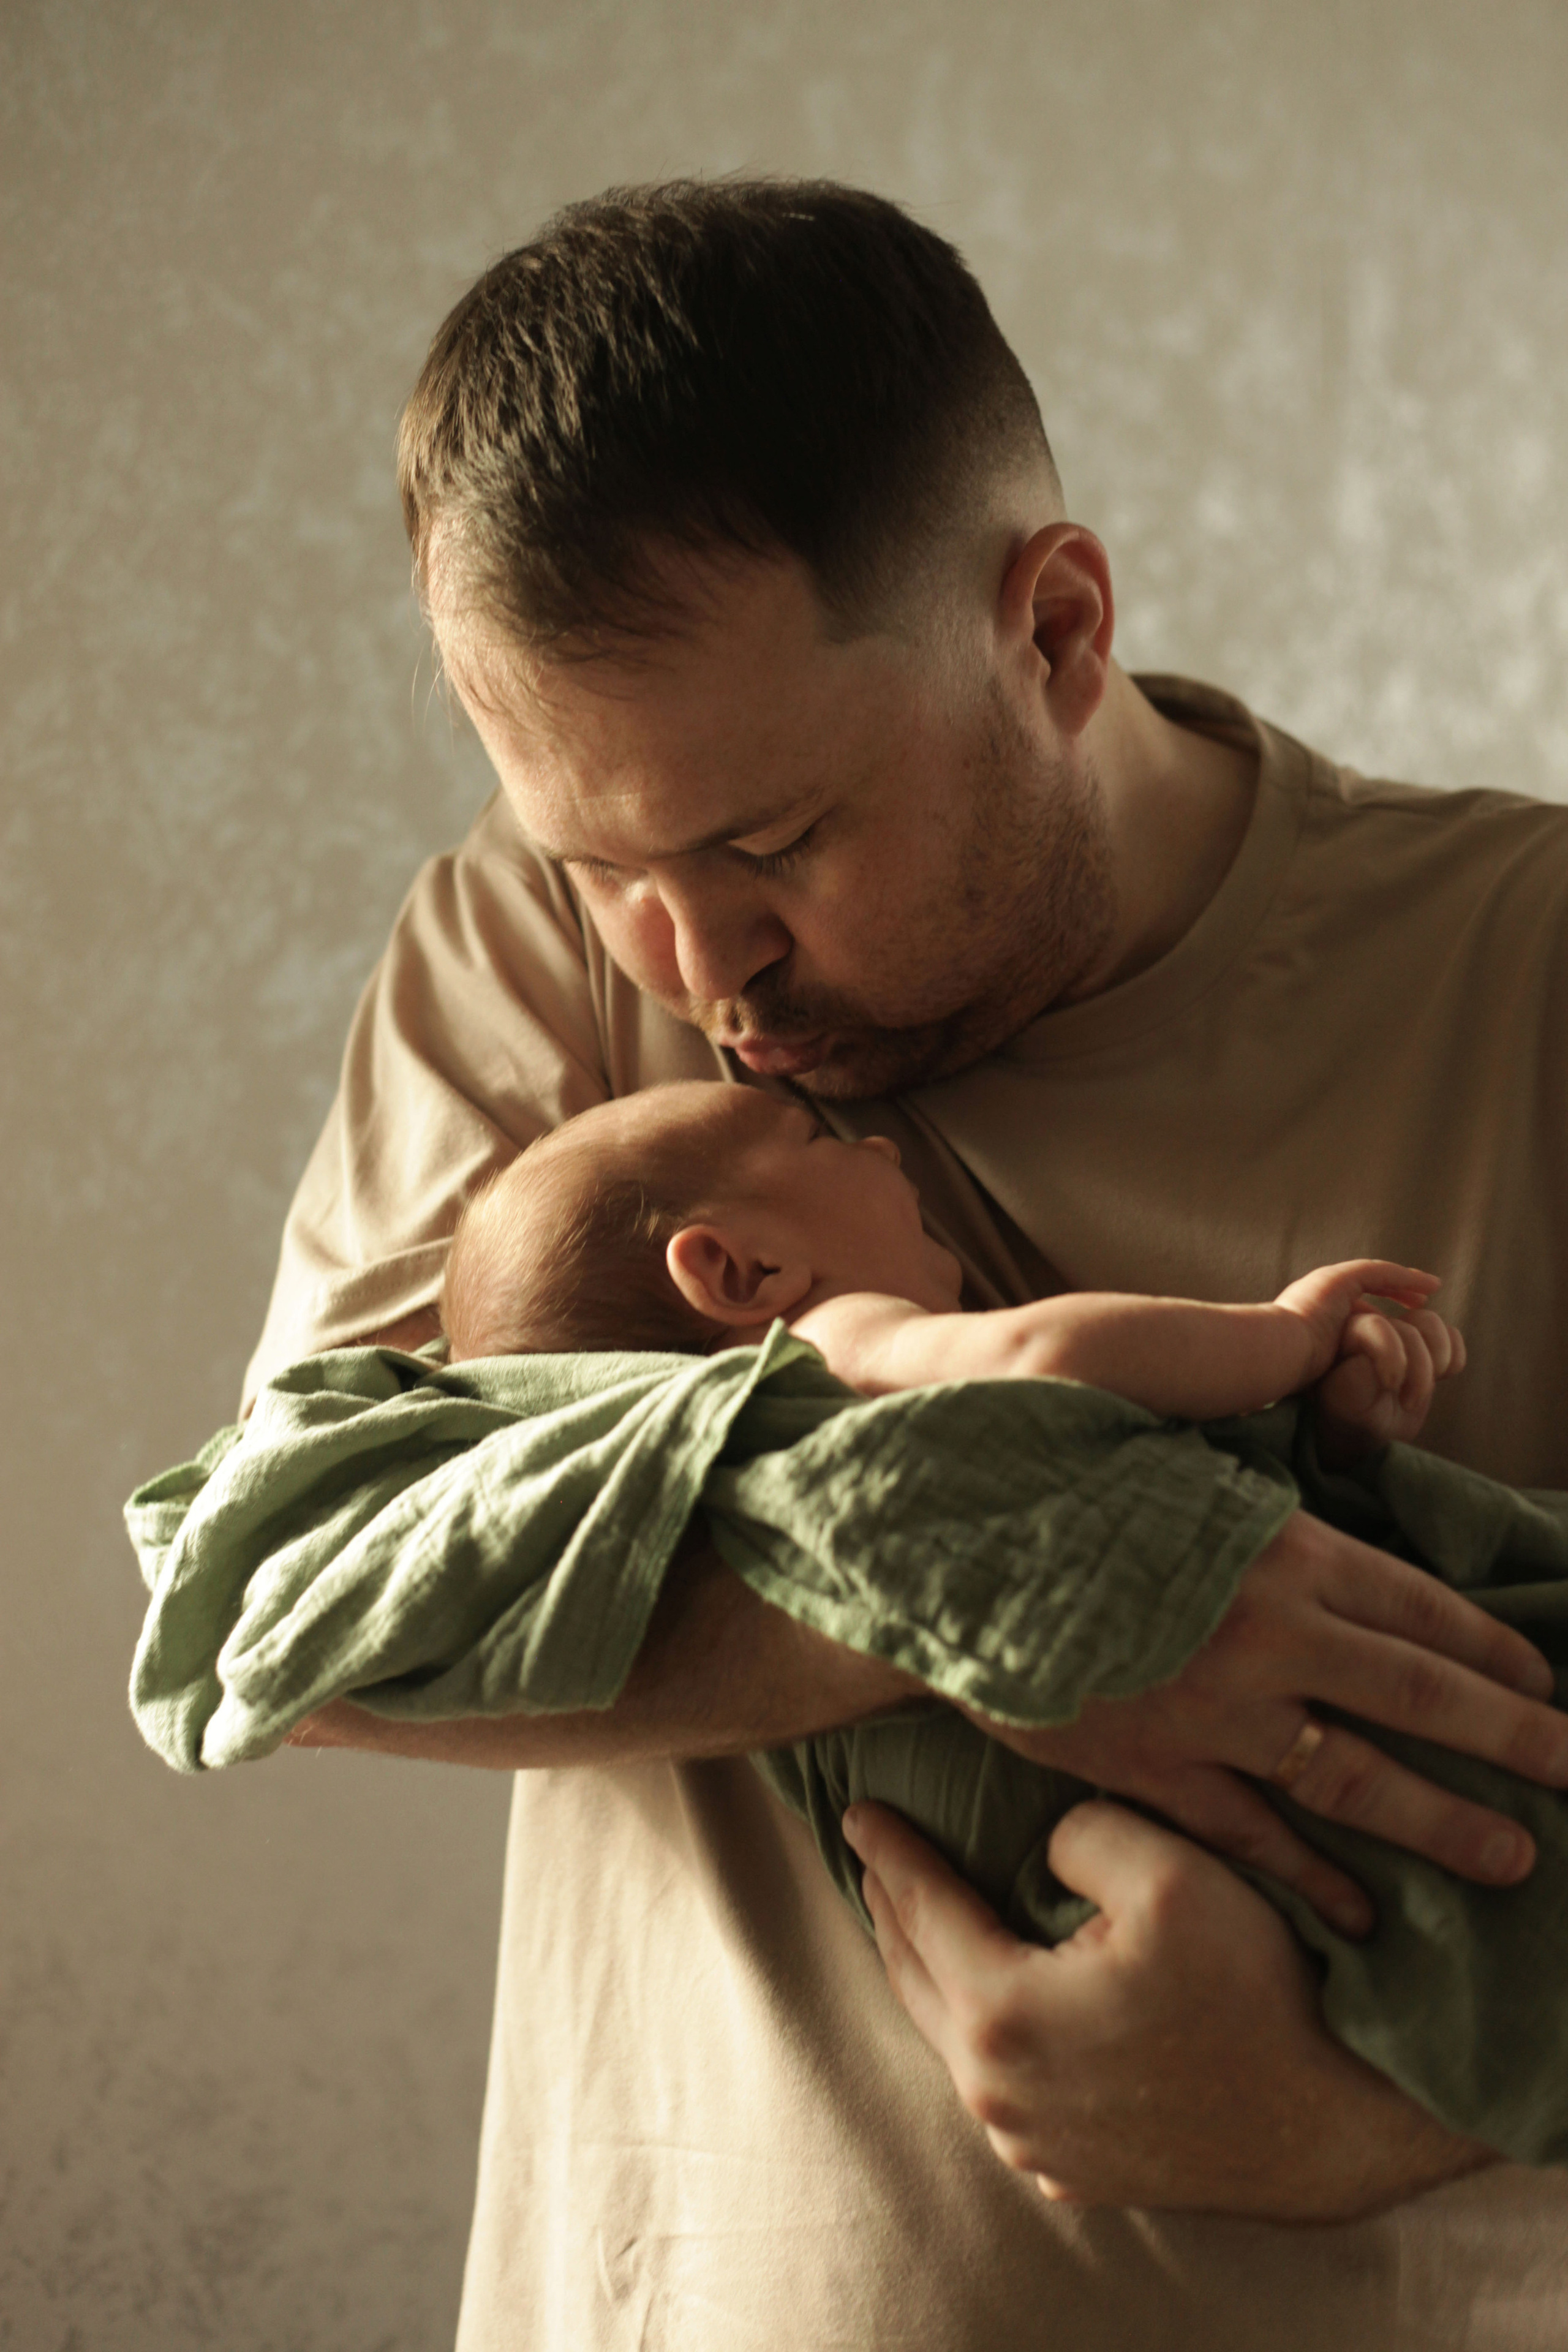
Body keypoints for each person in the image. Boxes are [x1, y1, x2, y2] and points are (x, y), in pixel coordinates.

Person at [260, 179, 1568, 2345]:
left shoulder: (1521, 962)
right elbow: (298, 1606)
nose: (699, 973)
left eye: (775, 843)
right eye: (610, 866)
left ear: (1055, 630)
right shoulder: (526, 958)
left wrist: (1376, 2115)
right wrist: (1036, 1612)